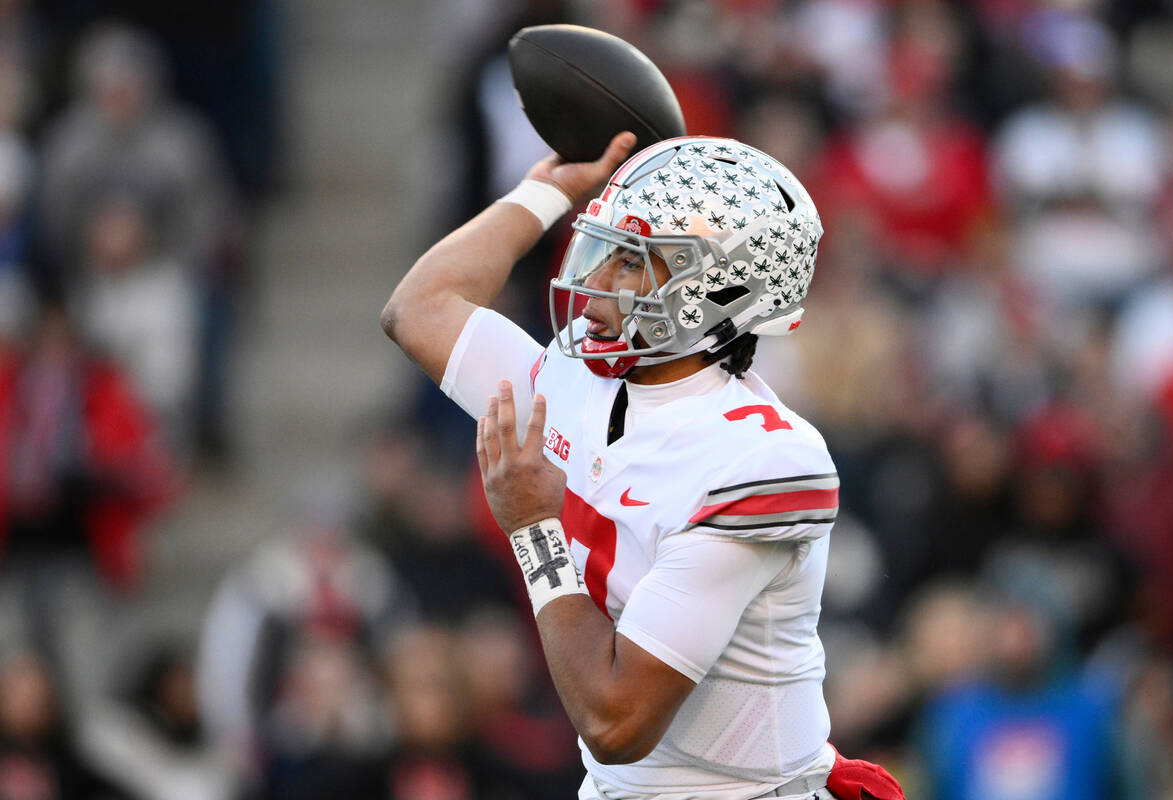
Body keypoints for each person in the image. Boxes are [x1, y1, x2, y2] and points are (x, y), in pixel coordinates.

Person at [381, 132, 904, 800]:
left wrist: (535, 532)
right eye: (601, 249)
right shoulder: (577, 376)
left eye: (632, 264)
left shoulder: (764, 461)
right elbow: (418, 308)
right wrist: (548, 191)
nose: (594, 282)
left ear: (718, 293)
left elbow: (618, 719)